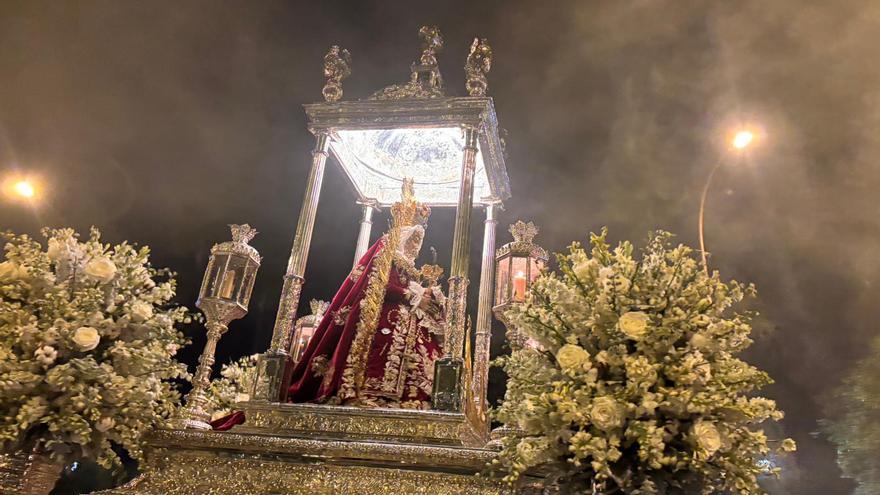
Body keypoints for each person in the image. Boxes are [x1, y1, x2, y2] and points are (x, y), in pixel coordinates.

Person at [211, 180, 445, 430]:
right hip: (381, 314)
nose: (416, 245)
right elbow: (377, 282)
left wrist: (427, 295)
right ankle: (370, 392)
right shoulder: (387, 249)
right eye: (414, 237)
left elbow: (406, 285)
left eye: (419, 239)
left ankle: (414, 396)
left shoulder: (408, 263)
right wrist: (412, 296)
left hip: (404, 312)